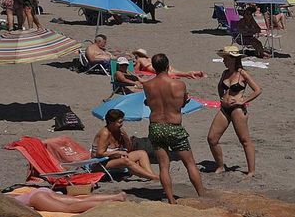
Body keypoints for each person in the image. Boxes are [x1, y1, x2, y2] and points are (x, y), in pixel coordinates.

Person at [141, 53, 206, 203]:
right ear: (167, 66)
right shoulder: (179, 84)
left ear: (153, 67)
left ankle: (171, 200)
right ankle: (202, 195)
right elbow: (181, 104)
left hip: (156, 126)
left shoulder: (147, 85)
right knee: (190, 163)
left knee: (164, 166)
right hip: (174, 126)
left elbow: (151, 103)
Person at [208, 46, 261, 176]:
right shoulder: (225, 73)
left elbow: (258, 90)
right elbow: (220, 87)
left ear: (233, 59)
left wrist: (243, 100)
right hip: (225, 108)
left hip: (237, 110)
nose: (224, 61)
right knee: (212, 138)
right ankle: (220, 166)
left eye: (226, 58)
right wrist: (222, 97)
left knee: (244, 140)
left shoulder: (242, 74)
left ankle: (251, 171)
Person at [92, 109, 160, 181]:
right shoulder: (105, 133)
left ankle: (151, 175)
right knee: (125, 161)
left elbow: (129, 149)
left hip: (113, 159)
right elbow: (99, 153)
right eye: (119, 122)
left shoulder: (118, 131)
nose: (122, 124)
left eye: (122, 121)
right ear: (111, 122)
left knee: (141, 153)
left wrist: (126, 138)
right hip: (99, 163)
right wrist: (117, 152)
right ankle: (154, 177)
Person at [7, 187, 128, 213]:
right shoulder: (5, 195)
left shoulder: (4, 202)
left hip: (36, 198)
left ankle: (106, 204)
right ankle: (116, 197)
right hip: (40, 191)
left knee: (67, 209)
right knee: (77, 200)